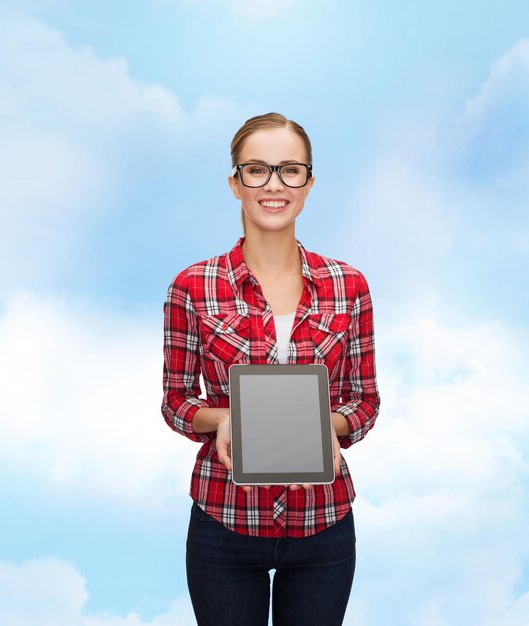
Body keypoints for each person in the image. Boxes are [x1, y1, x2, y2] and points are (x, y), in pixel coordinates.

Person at [161, 112, 381, 626]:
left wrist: (324, 426)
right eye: (257, 170)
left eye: (290, 170)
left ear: (309, 183)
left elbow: (365, 402)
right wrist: (226, 420)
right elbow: (175, 403)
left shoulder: (349, 286)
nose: (274, 184)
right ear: (235, 183)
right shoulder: (192, 286)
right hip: (224, 521)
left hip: (323, 524)